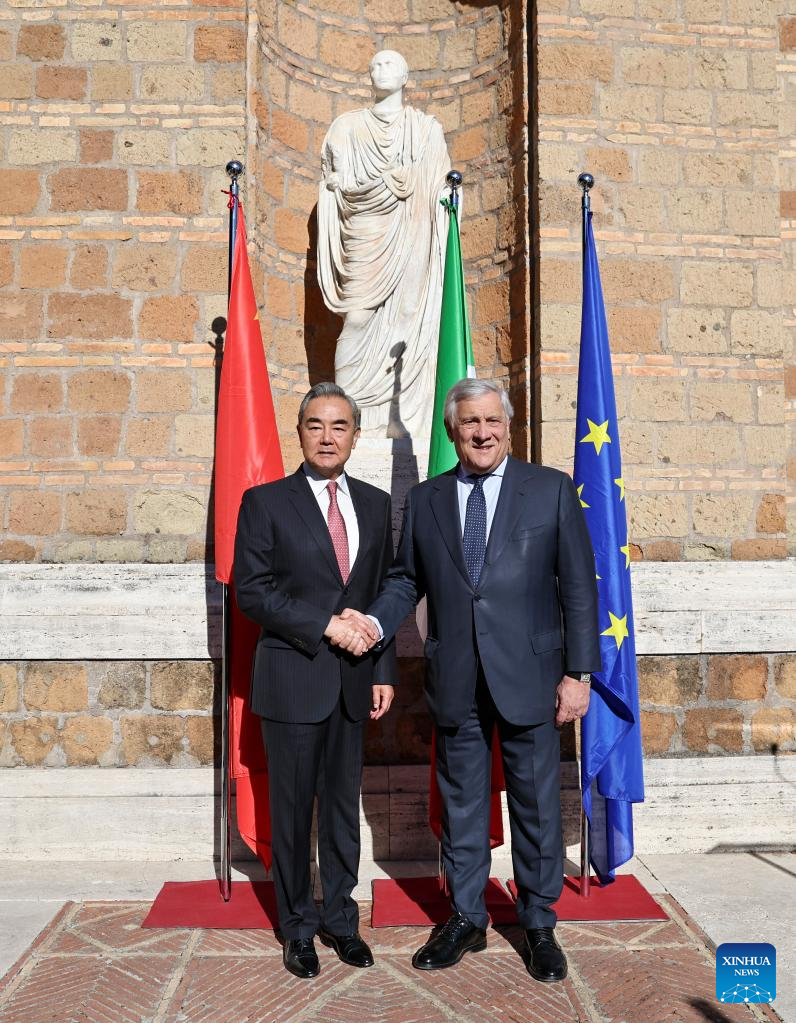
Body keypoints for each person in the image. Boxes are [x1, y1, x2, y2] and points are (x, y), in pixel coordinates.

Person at [336, 378, 601, 983]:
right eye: (469, 424)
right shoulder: (426, 498)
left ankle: (538, 922)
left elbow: (579, 588)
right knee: (461, 806)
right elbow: (406, 580)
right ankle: (466, 917)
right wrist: (372, 623)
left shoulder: (550, 489)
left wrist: (578, 673)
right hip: (456, 676)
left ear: (508, 427)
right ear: (453, 432)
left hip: (533, 676)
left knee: (536, 805)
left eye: (491, 422)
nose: (482, 433)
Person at [234, 381, 394, 980]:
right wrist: (325, 625)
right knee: (294, 810)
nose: (327, 437)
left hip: (354, 681)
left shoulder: (376, 505)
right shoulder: (265, 502)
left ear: (355, 436)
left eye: (339, 426)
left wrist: (382, 669)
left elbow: (382, 593)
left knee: (343, 811)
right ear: (299, 433)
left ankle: (341, 921)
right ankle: (298, 927)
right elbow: (252, 591)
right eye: (315, 426)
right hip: (293, 679)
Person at [317, 49, 451, 440]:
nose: (380, 69)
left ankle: (401, 419)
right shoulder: (347, 126)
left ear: (406, 76)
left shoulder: (425, 130)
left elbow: (441, 183)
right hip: (365, 230)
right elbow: (334, 183)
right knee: (357, 318)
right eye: (374, 64)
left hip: (414, 231)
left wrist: (448, 198)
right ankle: (347, 418)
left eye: (389, 63)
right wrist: (337, 186)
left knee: (409, 316)